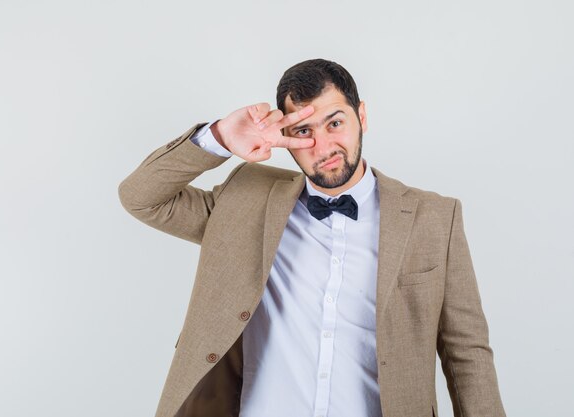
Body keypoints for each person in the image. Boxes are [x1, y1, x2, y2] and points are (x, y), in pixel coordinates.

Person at [118, 58, 506, 417]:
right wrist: (219, 137)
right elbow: (141, 198)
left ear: (362, 116)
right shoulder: (247, 199)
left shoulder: (434, 217)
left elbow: (466, 352)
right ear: (285, 134)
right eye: (304, 131)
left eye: (335, 123)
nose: (323, 146)